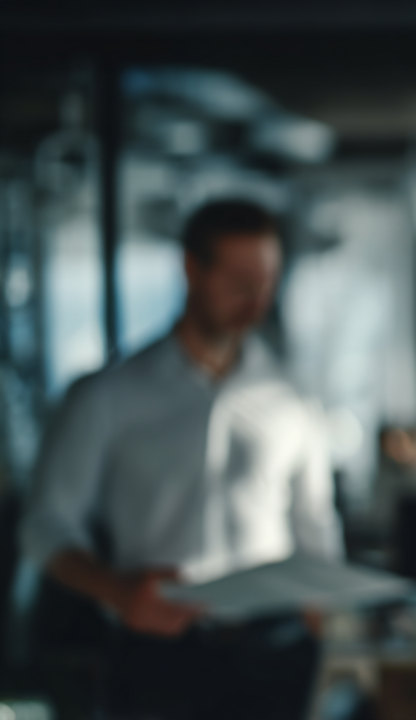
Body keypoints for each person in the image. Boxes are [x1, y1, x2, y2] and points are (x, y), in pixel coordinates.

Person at [21, 198, 341, 720]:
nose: (255, 297)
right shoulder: (108, 396)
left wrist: (319, 620)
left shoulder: (293, 396)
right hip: (157, 651)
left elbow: (315, 526)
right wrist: (116, 590)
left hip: (274, 650)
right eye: (239, 278)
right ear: (192, 269)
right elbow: (44, 524)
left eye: (266, 279)